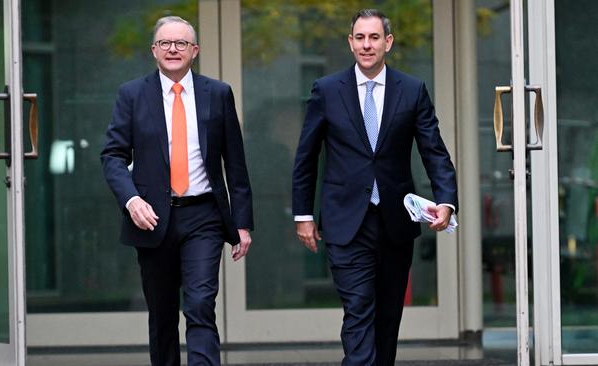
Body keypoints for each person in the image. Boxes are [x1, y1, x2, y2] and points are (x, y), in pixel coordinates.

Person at [292, 9, 458, 366]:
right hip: (345, 221)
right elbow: (306, 157)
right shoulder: (327, 90)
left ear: (388, 43)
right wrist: (304, 215)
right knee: (358, 310)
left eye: (374, 38)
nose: (367, 45)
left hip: (395, 223)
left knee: (386, 318)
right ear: (350, 43)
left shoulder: (412, 90)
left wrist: (446, 201)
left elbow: (434, 151)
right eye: (360, 38)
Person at [100, 16, 253, 366]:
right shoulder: (132, 94)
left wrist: (242, 222)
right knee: (163, 313)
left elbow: (236, 164)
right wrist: (131, 199)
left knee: (200, 304)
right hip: (152, 218)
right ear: (154, 50)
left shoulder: (217, 93)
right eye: (165, 43)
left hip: (204, 215)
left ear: (194, 51)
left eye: (181, 43)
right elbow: (112, 155)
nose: (173, 49)